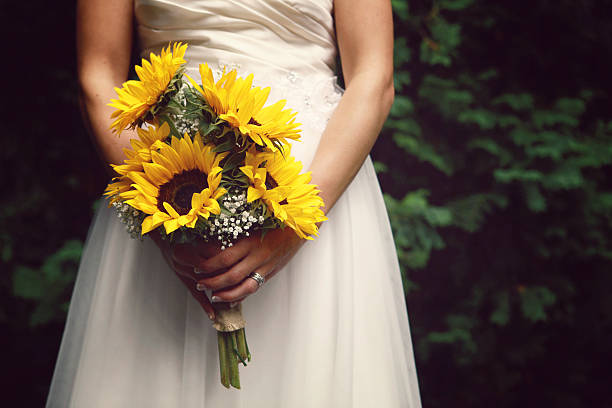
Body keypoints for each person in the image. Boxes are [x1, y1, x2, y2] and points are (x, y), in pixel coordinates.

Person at [46, 0, 422, 406]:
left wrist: (296, 221)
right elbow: (98, 74)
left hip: (313, 188)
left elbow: (374, 75)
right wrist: (159, 214)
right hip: (164, 181)